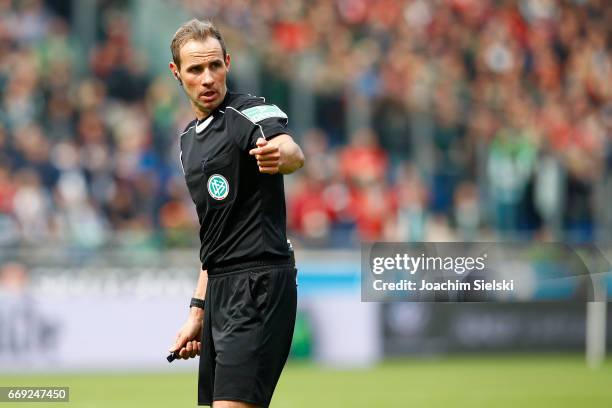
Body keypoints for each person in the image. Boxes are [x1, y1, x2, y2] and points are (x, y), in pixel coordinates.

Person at [166, 19, 305, 408]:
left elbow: (290, 148)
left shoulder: (246, 112)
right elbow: (215, 237)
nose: (208, 78)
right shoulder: (187, 142)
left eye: (215, 66)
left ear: (227, 62)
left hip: (259, 282)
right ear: (177, 73)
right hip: (221, 290)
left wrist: (284, 156)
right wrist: (197, 310)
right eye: (196, 69)